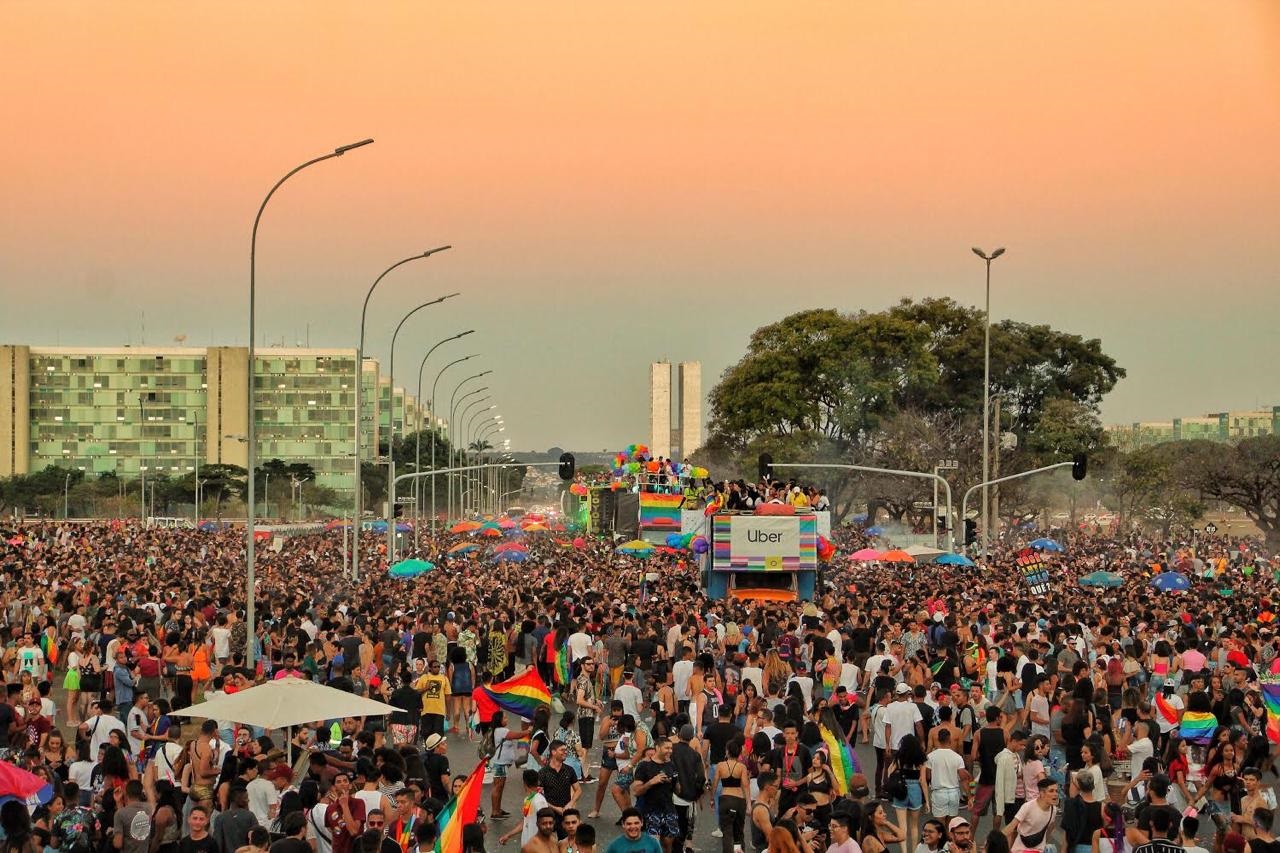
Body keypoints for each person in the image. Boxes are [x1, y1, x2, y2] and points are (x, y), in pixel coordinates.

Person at [632, 739, 680, 853]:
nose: (670, 751)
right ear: (657, 748)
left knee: (668, 844)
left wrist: (674, 780)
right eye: (667, 748)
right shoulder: (644, 766)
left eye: (671, 748)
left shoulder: (671, 765)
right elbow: (636, 791)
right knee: (654, 845)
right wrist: (651, 782)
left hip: (669, 809)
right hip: (651, 811)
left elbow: (678, 791)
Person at [714, 738, 752, 853]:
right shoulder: (742, 767)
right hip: (739, 800)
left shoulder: (720, 765)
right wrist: (749, 803)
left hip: (725, 799)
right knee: (739, 831)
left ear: (727, 751)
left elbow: (715, 784)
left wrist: (711, 798)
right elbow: (745, 786)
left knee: (727, 832)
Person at [1003, 779, 1059, 853]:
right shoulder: (1028, 807)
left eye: (1056, 791)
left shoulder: (1053, 810)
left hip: (1039, 850)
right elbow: (1011, 826)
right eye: (1051, 791)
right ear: (1042, 793)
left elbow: (1049, 829)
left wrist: (1044, 844)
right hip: (1020, 849)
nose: (1055, 794)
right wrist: (992, 841)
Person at [322, 773, 366, 853]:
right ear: (334, 788)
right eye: (338, 782)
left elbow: (353, 831)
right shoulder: (330, 808)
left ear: (350, 786)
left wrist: (344, 805)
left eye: (345, 781)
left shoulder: (358, 803)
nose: (342, 784)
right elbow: (330, 828)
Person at [112, 780, 151, 853]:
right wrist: (118, 802)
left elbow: (118, 844)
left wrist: (111, 834)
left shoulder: (120, 814)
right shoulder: (148, 809)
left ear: (126, 793)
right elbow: (128, 816)